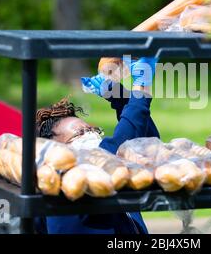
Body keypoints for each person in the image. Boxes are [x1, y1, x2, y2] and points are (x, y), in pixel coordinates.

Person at [35, 57, 159, 234]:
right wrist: (141, 88)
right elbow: (119, 145)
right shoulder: (63, 180)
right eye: (81, 133)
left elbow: (146, 142)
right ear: (58, 150)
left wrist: (116, 93)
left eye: (91, 129)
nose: (91, 134)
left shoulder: (112, 172)